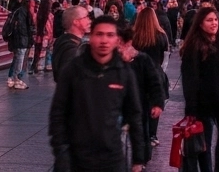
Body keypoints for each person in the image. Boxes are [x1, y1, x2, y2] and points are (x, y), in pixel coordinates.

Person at [49, 16, 148, 172]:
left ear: (117, 40)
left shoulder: (123, 72)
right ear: (91, 37)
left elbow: (134, 115)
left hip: (111, 157)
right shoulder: (73, 70)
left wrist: (138, 158)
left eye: (110, 35)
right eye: (99, 34)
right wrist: (61, 151)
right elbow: (58, 113)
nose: (104, 40)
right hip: (76, 157)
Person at [180, 5, 219, 172]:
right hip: (203, 103)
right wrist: (191, 108)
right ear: (200, 24)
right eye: (209, 20)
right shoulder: (194, 46)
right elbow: (190, 79)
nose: (214, 23)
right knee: (203, 147)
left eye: (215, 20)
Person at [117, 23, 165, 160]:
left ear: (129, 43)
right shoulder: (112, 60)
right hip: (117, 107)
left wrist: (157, 103)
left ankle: (142, 158)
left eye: (121, 43)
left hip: (139, 104)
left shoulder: (142, 59)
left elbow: (154, 82)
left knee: (141, 130)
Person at [52, 4, 91, 83]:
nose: (89, 21)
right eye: (86, 17)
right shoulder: (71, 49)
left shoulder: (64, 40)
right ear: (76, 22)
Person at [3, 0, 33, 90]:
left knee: (17, 58)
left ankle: (13, 77)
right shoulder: (22, 12)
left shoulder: (15, 12)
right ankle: (16, 78)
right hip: (21, 39)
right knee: (19, 58)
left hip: (17, 39)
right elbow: (23, 27)